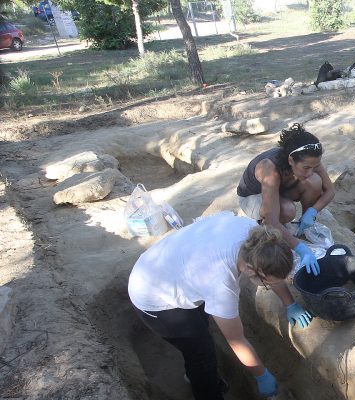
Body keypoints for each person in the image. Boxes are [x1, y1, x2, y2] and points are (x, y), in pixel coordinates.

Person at [128, 212, 313, 400]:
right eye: (267, 284)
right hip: (152, 295)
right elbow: (236, 340)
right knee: (201, 353)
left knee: (200, 331)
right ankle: (205, 388)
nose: (270, 285)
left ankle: (196, 374)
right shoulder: (220, 282)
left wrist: (290, 303)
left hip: (171, 267)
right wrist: (261, 375)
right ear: (251, 271)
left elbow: (272, 272)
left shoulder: (256, 237)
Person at [237, 123, 335, 276]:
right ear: (291, 160)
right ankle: (274, 232)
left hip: (280, 190)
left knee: (314, 182)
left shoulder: (310, 160)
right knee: (287, 211)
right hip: (252, 197)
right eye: (306, 168)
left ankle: (303, 226)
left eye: (314, 167)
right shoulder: (269, 168)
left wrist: (312, 211)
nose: (310, 171)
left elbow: (330, 191)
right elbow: (272, 220)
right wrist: (300, 248)